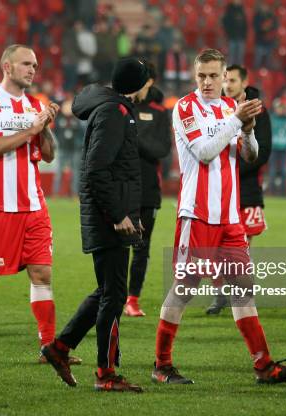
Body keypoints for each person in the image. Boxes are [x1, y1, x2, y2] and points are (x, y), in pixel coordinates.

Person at [152, 48, 286, 385]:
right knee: (185, 288)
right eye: (201, 76)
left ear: (226, 78)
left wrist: (248, 129)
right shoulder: (185, 108)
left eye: (213, 76)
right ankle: (161, 365)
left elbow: (248, 156)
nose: (207, 82)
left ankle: (264, 364)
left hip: (229, 218)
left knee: (243, 287)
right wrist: (237, 120)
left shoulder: (227, 108)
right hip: (196, 215)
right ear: (195, 77)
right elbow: (204, 153)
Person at [0, 44, 81, 367]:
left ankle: (49, 348)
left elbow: (47, 154)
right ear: (7, 66)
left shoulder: (35, 104)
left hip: (34, 205)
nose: (32, 70)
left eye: (35, 65)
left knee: (42, 274)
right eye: (26, 64)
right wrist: (31, 128)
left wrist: (45, 127)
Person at [41, 57, 149, 392]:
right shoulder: (113, 114)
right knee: (114, 297)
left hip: (109, 216)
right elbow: (97, 171)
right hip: (108, 220)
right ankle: (106, 373)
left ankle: (60, 348)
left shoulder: (112, 110)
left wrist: (130, 212)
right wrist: (119, 215)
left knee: (106, 292)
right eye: (147, 81)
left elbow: (114, 171)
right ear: (139, 84)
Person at [206, 64, 272, 315]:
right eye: (226, 80)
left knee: (241, 247)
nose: (228, 84)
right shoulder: (215, 110)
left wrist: (230, 169)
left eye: (233, 80)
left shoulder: (257, 109)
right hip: (218, 190)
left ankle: (239, 295)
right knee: (215, 247)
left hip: (246, 190)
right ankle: (221, 293)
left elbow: (262, 152)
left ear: (244, 82)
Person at [124, 62, 171, 317]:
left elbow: (162, 150)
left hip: (148, 189)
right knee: (117, 246)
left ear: (150, 81)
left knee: (141, 246)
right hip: (121, 188)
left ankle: (133, 299)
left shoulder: (160, 112)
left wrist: (133, 137)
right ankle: (113, 295)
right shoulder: (121, 107)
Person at [51, 94, 85, 197]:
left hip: (75, 150)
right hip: (62, 149)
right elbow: (54, 132)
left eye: (70, 106)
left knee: (75, 173)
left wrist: (79, 144)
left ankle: (74, 193)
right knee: (58, 172)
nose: (68, 108)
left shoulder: (78, 120)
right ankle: (55, 193)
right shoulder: (58, 120)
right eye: (66, 106)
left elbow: (82, 133)